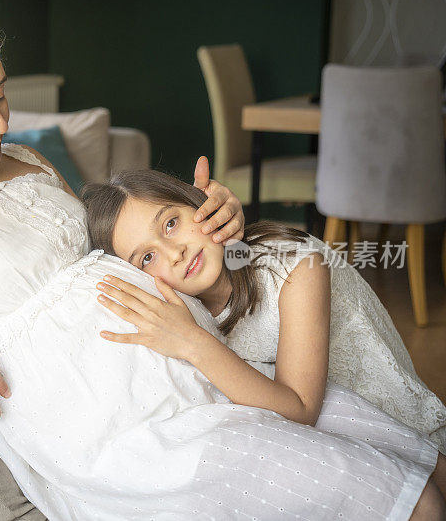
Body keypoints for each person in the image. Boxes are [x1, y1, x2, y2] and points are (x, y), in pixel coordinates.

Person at [0, 4, 445, 520]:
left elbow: (121, 251)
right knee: (405, 501)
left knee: (416, 461)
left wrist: (218, 223)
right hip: (119, 431)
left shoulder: (27, 162)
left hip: (204, 365)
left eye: (0, 95)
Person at [82, 169, 446, 454]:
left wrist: (193, 343)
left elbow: (301, 410)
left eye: (171, 223)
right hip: (332, 439)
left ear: (198, 204)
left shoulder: (294, 266)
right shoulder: (181, 312)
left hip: (389, 417)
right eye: (147, 258)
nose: (174, 251)